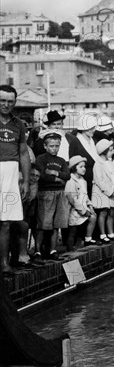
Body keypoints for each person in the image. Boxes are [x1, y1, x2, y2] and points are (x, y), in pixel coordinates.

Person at [0, 85, 31, 275]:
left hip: (11, 173)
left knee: (5, 222)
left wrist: (26, 181)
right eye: (2, 100)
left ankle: (3, 264)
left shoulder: (18, 124)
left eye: (10, 101)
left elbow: (23, 153)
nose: (6, 104)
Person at [34, 132, 69, 261]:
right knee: (43, 223)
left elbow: (67, 176)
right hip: (46, 193)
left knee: (56, 224)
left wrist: (54, 172)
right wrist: (57, 179)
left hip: (59, 193)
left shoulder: (61, 161)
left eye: (57, 146)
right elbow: (41, 176)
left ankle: (53, 250)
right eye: (52, 146)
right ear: (45, 146)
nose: (54, 148)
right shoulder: (41, 159)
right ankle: (37, 252)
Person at [64, 156, 99, 248]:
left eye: (84, 167)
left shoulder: (83, 181)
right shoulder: (71, 181)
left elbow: (85, 195)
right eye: (81, 167)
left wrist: (90, 205)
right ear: (74, 168)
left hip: (84, 207)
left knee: (92, 219)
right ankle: (70, 250)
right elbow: (72, 199)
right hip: (74, 210)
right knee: (73, 231)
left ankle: (87, 239)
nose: (84, 169)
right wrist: (83, 211)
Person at [92, 139, 114, 243]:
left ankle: (111, 233)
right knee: (103, 212)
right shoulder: (98, 164)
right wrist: (109, 192)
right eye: (110, 150)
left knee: (111, 213)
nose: (112, 151)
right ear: (104, 151)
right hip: (103, 192)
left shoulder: (110, 163)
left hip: (113, 191)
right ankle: (102, 234)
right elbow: (99, 180)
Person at [69, 114, 100, 198]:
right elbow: (72, 163)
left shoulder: (93, 140)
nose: (93, 130)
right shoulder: (75, 142)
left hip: (95, 179)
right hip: (82, 180)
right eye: (91, 128)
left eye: (94, 127)